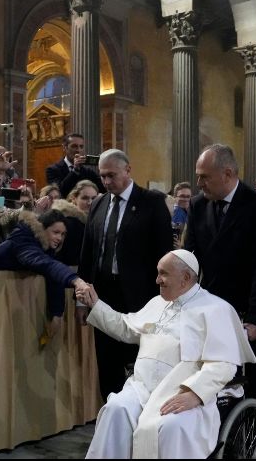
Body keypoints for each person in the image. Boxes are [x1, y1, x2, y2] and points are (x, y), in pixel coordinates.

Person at [78, 250, 256, 459]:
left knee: (171, 426)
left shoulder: (217, 309)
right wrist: (96, 305)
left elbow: (223, 364)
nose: (157, 280)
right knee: (115, 410)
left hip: (181, 390)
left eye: (163, 274)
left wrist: (195, 393)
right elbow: (126, 327)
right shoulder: (157, 303)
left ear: (186, 278)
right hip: (142, 387)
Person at [184, 144, 256, 426]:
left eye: (204, 177)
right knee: (218, 378)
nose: (199, 183)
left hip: (249, 309)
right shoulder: (199, 205)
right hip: (212, 309)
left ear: (227, 174)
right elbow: (191, 257)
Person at [77, 148, 173, 400]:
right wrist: (82, 300)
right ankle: (111, 419)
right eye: (102, 176)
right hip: (103, 296)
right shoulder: (98, 204)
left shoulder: (151, 202)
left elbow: (163, 255)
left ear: (128, 170)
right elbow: (88, 254)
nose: (106, 181)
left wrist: (164, 302)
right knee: (106, 366)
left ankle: (138, 421)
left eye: (111, 175)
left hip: (140, 300)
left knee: (138, 366)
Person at [0, 209, 90, 339]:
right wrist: (76, 280)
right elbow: (46, 264)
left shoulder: (45, 246)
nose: (60, 238)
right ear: (42, 228)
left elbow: (52, 275)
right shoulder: (23, 239)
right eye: (56, 232)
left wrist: (57, 314)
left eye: (63, 234)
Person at [51, 180, 97, 266]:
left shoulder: (91, 221)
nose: (90, 202)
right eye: (85, 198)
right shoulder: (70, 222)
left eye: (94, 198)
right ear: (74, 199)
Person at [45, 133, 106, 197]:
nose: (78, 150)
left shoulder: (88, 172)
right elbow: (58, 193)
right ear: (64, 148)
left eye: (81, 147)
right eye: (74, 146)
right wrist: (75, 171)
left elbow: (104, 189)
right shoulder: (52, 170)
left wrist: (103, 169)